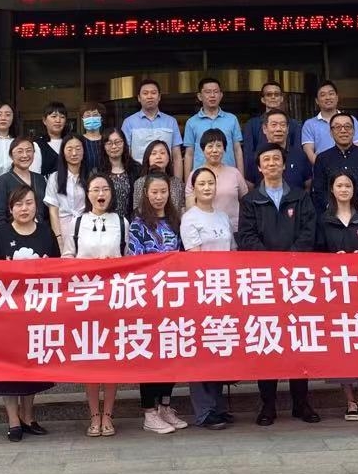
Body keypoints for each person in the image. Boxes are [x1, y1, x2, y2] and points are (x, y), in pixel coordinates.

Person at [236, 141, 319, 426]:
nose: (271, 164)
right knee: (266, 339)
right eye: (266, 160)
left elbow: (308, 232)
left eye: (276, 159)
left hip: (296, 280)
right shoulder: (250, 200)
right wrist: (270, 262)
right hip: (264, 280)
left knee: (297, 340)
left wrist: (291, 260)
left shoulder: (300, 197)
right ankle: (268, 405)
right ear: (259, 167)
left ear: (284, 164)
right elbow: (246, 236)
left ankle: (301, 403)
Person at [0, 183, 57, 441]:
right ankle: (13, 420)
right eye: (18, 204)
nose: (24, 208)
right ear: (10, 208)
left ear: (36, 206)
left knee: (32, 366)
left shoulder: (46, 232)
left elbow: (57, 268)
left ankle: (28, 416)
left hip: (37, 312)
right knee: (9, 369)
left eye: (29, 203)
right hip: (8, 314)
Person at [65, 174, 127, 436]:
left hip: (113, 298)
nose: (100, 193)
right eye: (95, 189)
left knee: (111, 358)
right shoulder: (77, 222)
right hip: (85, 298)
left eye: (105, 189)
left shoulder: (121, 222)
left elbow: (129, 259)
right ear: (87, 194)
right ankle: (93, 414)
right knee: (90, 357)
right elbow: (67, 256)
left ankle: (108, 414)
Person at [128, 172, 189, 434]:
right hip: (149, 297)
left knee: (171, 352)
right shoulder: (138, 223)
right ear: (145, 193)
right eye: (154, 192)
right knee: (150, 355)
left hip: (174, 296)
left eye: (163, 191)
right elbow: (134, 259)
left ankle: (165, 405)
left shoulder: (176, 220)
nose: (159, 196)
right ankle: (149, 412)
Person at [315, 171, 358, 420]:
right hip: (335, 291)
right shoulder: (324, 219)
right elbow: (316, 252)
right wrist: (332, 259)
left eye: (347, 185)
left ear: (354, 189)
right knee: (342, 343)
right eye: (339, 185)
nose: (343, 189)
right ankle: (349, 400)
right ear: (332, 189)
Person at [181, 166, 235, 431]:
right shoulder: (189, 218)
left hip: (224, 290)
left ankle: (218, 406)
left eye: (210, 183)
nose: (206, 188)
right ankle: (204, 411)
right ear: (194, 188)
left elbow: (232, 251)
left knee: (219, 345)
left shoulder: (223, 216)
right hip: (201, 291)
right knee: (201, 351)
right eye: (201, 183)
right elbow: (194, 256)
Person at [311, 112, 358, 213]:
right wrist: (334, 210)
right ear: (331, 132)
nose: (343, 130)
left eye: (347, 126)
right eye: (338, 127)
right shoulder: (322, 159)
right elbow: (319, 190)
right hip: (332, 216)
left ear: (354, 131)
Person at [182, 77, 242, 179]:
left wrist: (241, 177)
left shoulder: (232, 119)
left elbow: (237, 150)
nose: (212, 95)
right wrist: (188, 181)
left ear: (221, 95)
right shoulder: (191, 122)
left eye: (216, 92)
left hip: (228, 176)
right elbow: (189, 154)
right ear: (200, 96)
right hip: (201, 178)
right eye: (208, 92)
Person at [243, 79, 301, 177]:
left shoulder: (294, 124)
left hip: (289, 171)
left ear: (281, 98)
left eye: (276, 94)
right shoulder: (252, 124)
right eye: (269, 94)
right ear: (263, 99)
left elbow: (297, 151)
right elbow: (248, 153)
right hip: (260, 172)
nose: (273, 97)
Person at [190, 127, 246, 226]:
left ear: (224, 149)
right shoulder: (195, 174)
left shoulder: (235, 173)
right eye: (210, 146)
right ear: (203, 149)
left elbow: (246, 201)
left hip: (234, 229)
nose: (215, 150)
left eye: (219, 146)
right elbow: (190, 206)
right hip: (205, 229)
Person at [301, 80, 358, 165]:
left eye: (331, 94)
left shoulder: (350, 120)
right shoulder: (309, 124)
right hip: (322, 169)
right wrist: (323, 168)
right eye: (323, 95)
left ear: (337, 97)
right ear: (317, 101)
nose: (328, 97)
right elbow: (309, 152)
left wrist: (347, 166)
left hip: (350, 168)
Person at [0, 136, 50, 228]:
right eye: (20, 151)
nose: (25, 155)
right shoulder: (3, 181)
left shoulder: (40, 179)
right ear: (11, 155)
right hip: (12, 233)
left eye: (29, 151)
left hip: (40, 232)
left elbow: (46, 212)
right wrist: (6, 235)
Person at [43, 134, 88, 249]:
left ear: (84, 151)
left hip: (86, 228)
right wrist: (58, 237)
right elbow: (53, 211)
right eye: (69, 149)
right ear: (63, 152)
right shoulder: (55, 178)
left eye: (78, 149)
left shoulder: (91, 177)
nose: (74, 153)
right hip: (63, 228)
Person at [122, 78, 179, 165]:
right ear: (139, 98)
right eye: (145, 93)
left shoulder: (171, 122)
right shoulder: (129, 123)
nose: (149, 96)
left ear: (159, 97)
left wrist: (177, 175)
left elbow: (176, 156)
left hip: (165, 172)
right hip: (138, 172)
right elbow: (125, 155)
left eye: (153, 93)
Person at [254, 108, 311, 190]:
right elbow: (250, 188)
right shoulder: (256, 157)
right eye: (274, 125)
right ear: (265, 129)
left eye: (283, 125)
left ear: (287, 129)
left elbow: (308, 185)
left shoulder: (300, 156)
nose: (278, 129)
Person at [97, 127, 139, 219]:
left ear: (124, 143)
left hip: (132, 221)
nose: (114, 147)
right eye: (109, 143)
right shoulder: (98, 172)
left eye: (118, 142)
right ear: (103, 146)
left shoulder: (136, 169)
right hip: (106, 222)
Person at [133, 138, 184, 212]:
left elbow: (181, 209)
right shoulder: (140, 182)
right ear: (148, 158)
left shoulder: (177, 183)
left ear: (169, 158)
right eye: (154, 154)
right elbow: (137, 209)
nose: (158, 157)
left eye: (162, 153)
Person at [31, 101, 73, 175]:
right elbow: (35, 175)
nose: (58, 120)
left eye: (62, 117)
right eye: (54, 116)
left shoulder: (72, 142)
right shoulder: (37, 144)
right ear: (44, 120)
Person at [76, 101, 107, 169]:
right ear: (82, 119)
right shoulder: (78, 141)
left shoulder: (107, 140)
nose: (91, 118)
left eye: (95, 115)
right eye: (87, 115)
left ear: (101, 118)